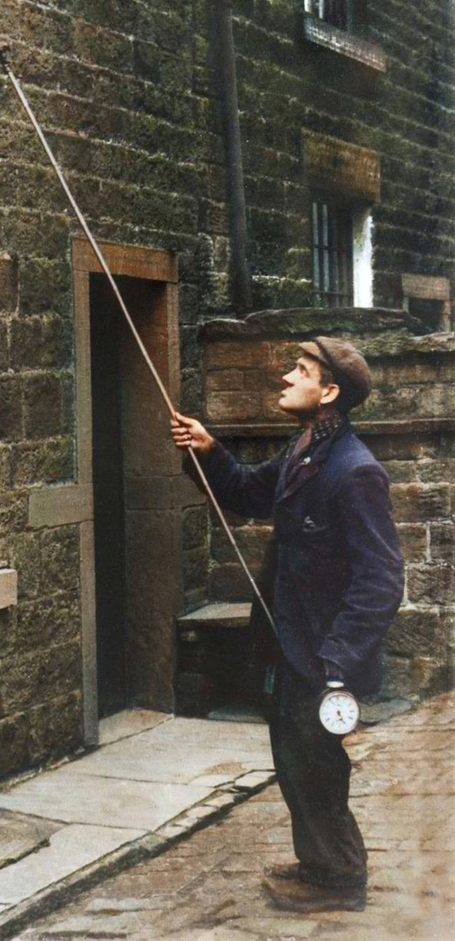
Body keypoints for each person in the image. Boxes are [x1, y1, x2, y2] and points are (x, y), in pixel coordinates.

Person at [171, 337, 404, 913]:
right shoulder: (304, 449)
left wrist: (337, 661)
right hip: (288, 643)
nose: (284, 378)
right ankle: (319, 862)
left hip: (322, 657)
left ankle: (340, 878)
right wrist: (209, 450)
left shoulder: (355, 472)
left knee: (317, 763)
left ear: (328, 393)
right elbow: (250, 491)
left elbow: (381, 579)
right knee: (294, 757)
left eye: (299, 372)